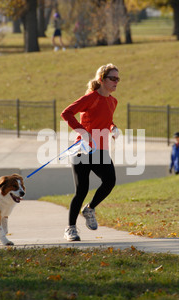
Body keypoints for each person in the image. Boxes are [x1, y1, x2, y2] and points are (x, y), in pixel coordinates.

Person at [60, 63, 120, 241]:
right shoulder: (90, 98)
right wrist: (82, 132)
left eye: (118, 79)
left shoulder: (113, 101)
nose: (116, 82)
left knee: (110, 182)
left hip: (101, 150)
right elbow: (67, 113)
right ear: (102, 79)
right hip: (83, 150)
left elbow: (106, 120)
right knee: (81, 190)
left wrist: (113, 127)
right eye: (113, 78)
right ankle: (70, 229)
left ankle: (90, 209)